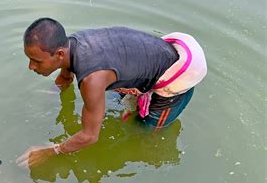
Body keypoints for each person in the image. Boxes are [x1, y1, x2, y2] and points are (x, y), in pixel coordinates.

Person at [16, 17, 207, 168]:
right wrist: (52, 94)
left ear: (58, 54)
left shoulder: (92, 79)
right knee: (114, 102)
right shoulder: (72, 44)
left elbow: (90, 136)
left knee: (142, 134)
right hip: (143, 61)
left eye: (37, 61)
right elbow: (65, 77)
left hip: (173, 84)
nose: (31, 66)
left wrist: (50, 151)